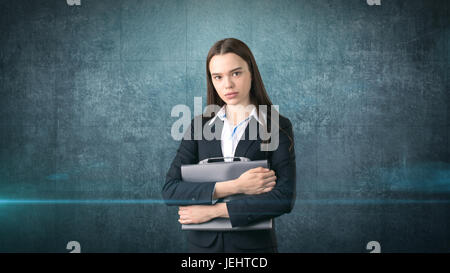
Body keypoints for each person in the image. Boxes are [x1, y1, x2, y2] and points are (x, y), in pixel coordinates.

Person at [162, 38, 296, 253]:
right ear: (212, 80)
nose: (227, 85)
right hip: (202, 251)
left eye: (236, 73)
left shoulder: (277, 126)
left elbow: (283, 198)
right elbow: (171, 190)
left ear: (251, 71)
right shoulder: (199, 126)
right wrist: (237, 187)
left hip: (254, 250)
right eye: (218, 77)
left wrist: (213, 211)